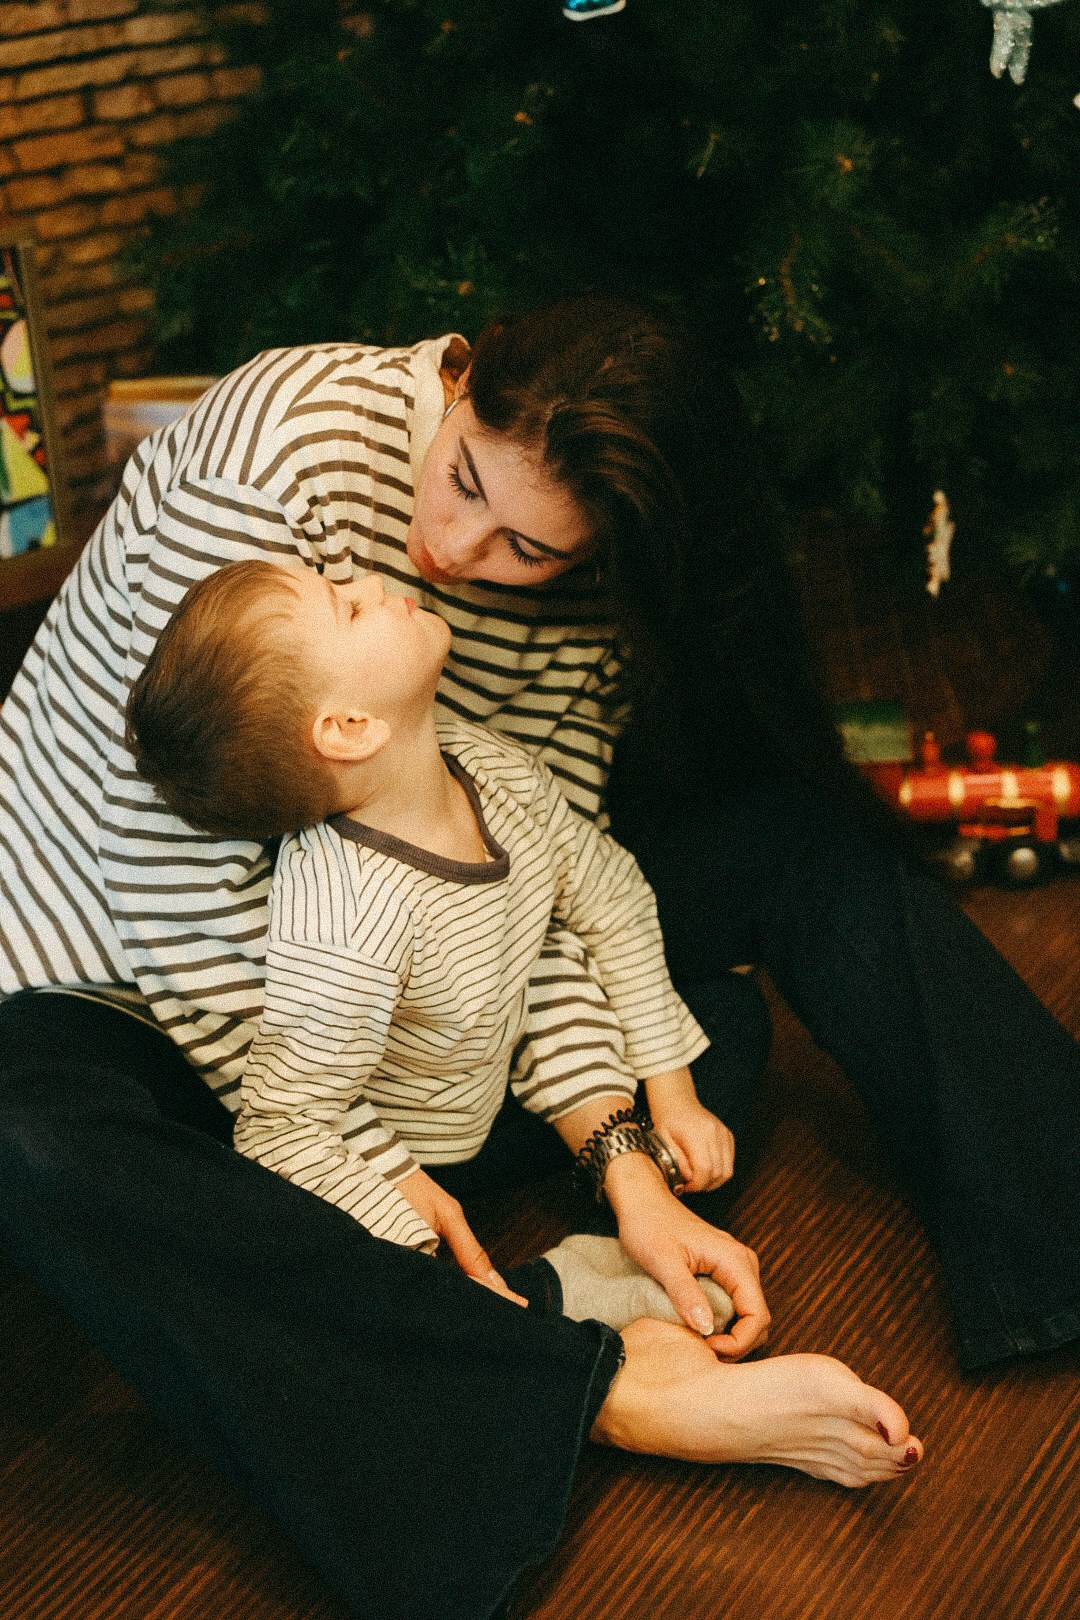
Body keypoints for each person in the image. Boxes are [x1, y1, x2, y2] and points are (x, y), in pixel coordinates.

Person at [0, 292, 1071, 1616]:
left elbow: (529, 882)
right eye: (461, 479)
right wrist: (352, 1169)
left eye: (527, 548)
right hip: (135, 981)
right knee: (33, 1139)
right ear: (460, 377)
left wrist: (619, 1154)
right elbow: (169, 869)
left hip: (414, 1011)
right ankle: (586, 1381)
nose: (448, 553)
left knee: (780, 889)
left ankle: (1046, 1226)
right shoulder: (277, 454)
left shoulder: (586, 588)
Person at [125, 553, 736, 1338]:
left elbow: (606, 896)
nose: (371, 584)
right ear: (350, 728)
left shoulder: (485, 763)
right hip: (434, 1146)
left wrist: (672, 1094)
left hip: (514, 1044)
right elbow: (283, 1122)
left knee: (729, 1023)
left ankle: (628, 1217)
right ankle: (536, 1292)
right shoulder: (347, 923)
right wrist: (408, 1222)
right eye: (347, 607)